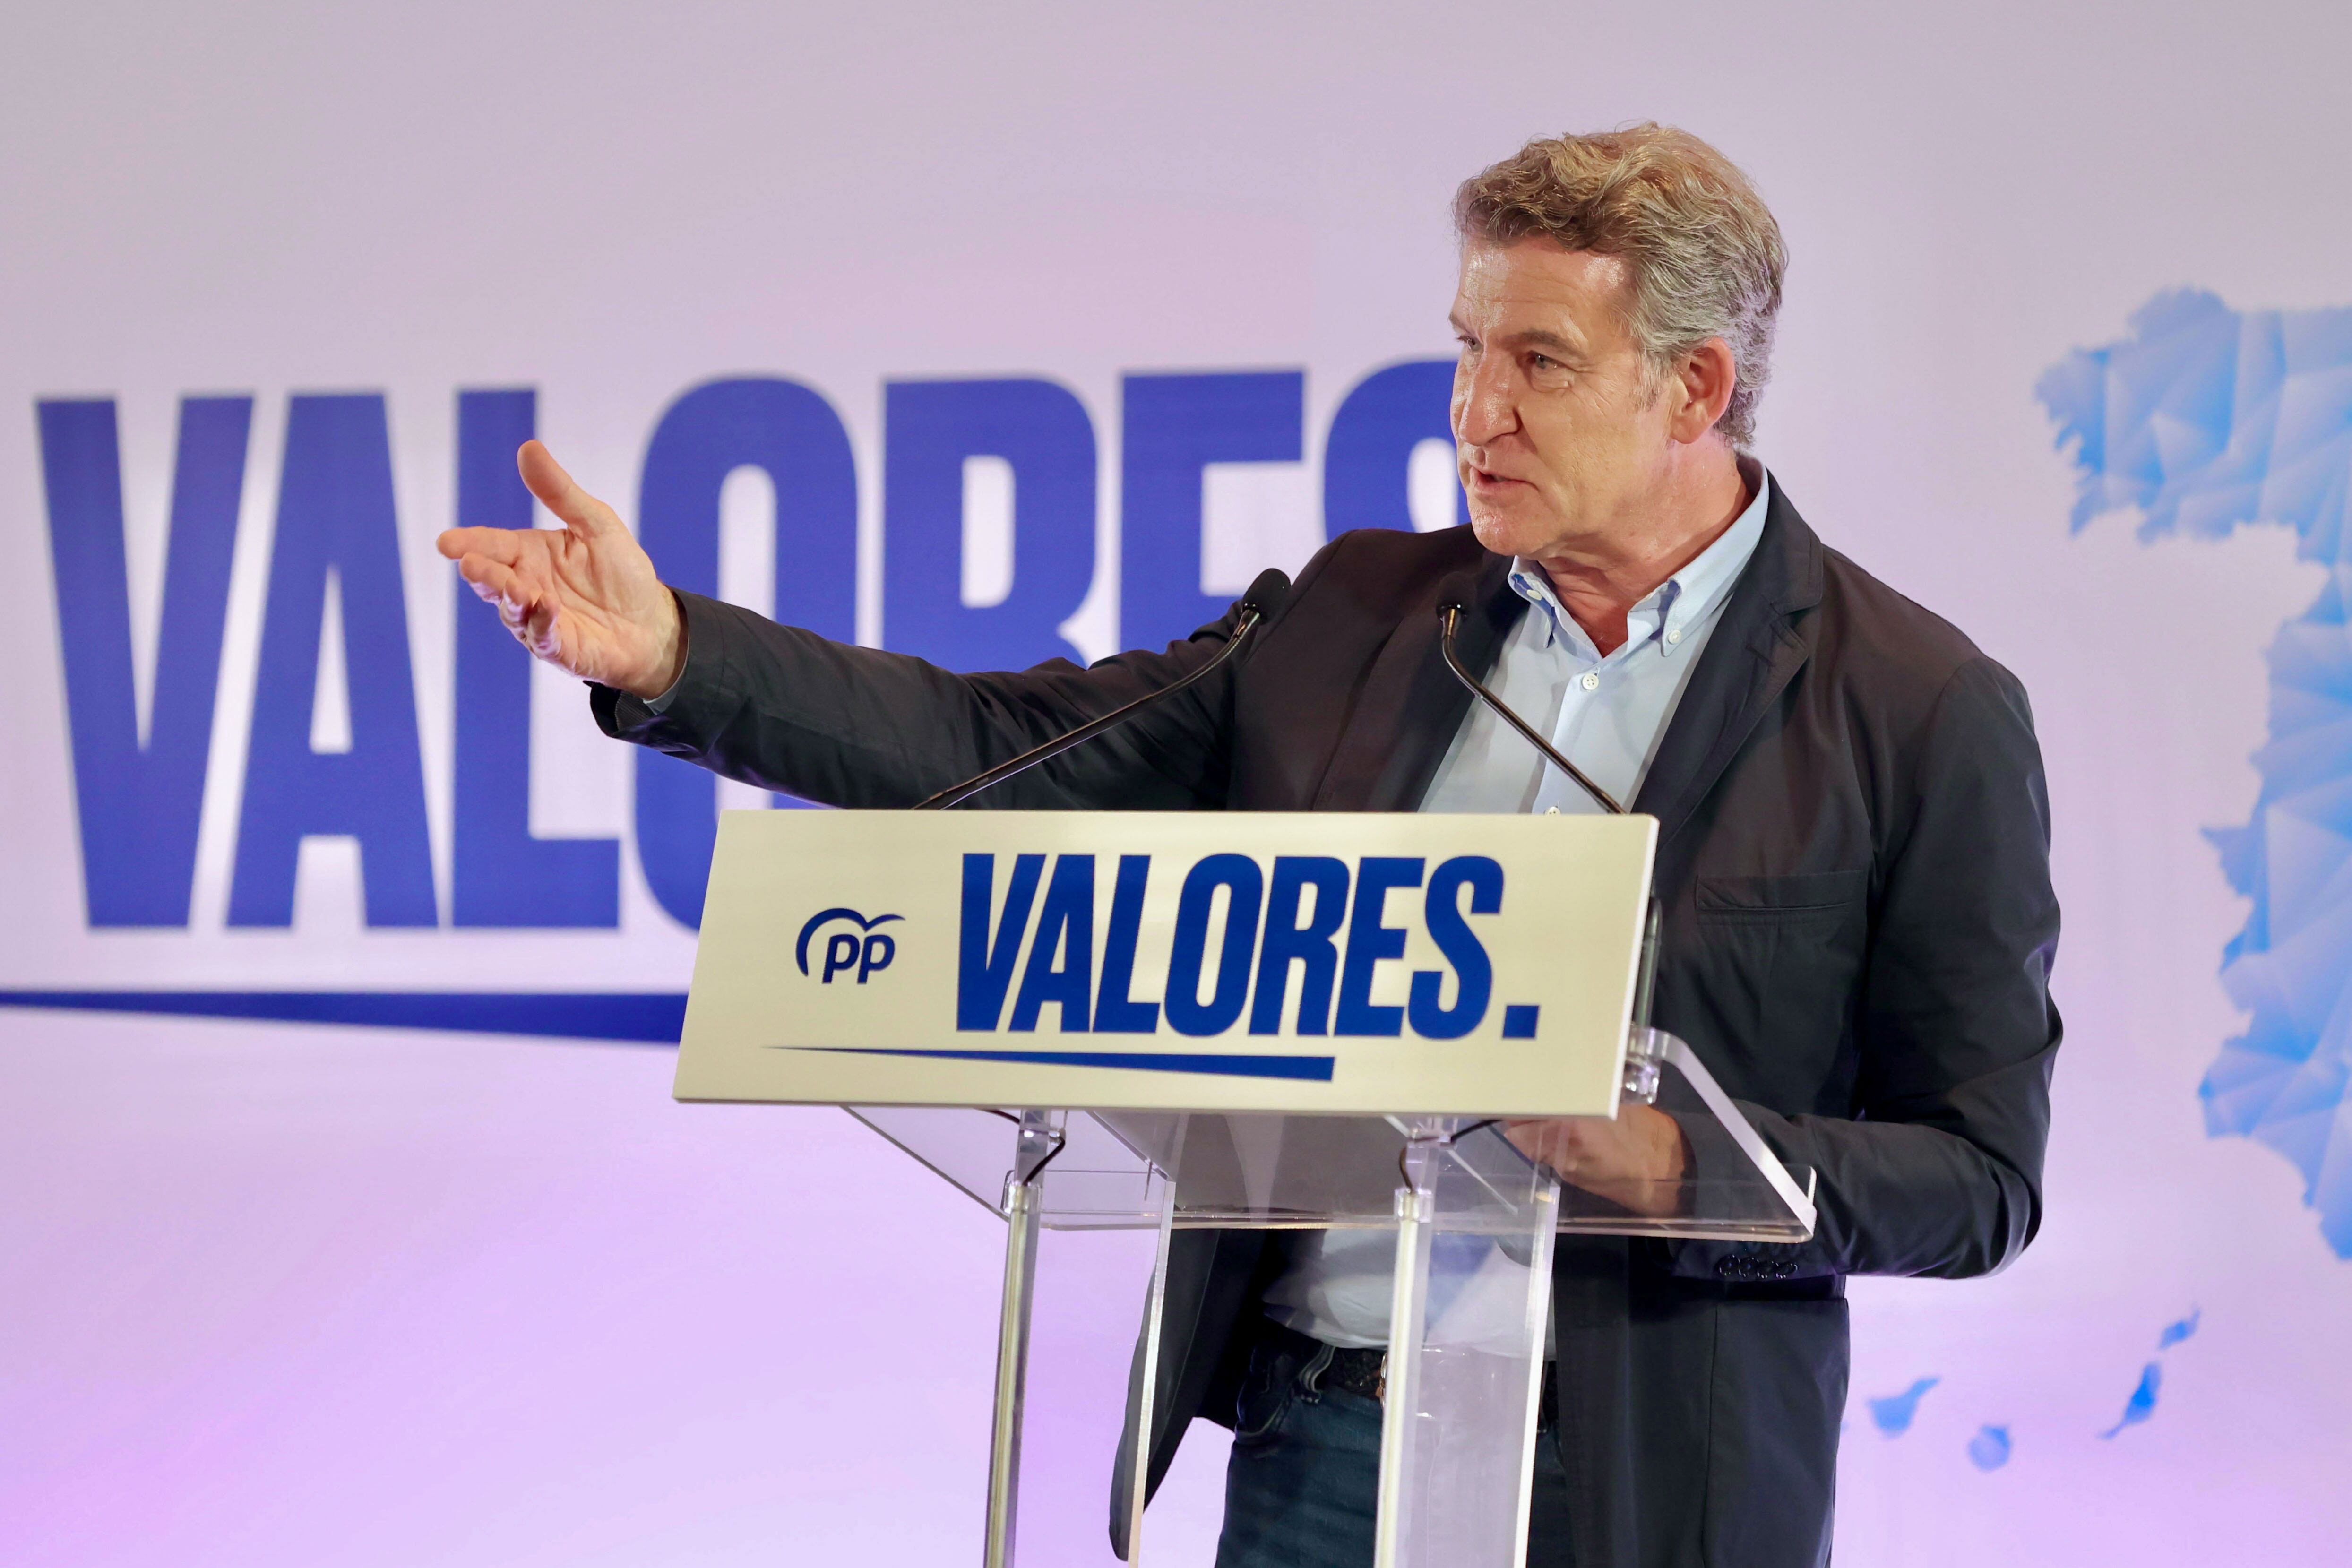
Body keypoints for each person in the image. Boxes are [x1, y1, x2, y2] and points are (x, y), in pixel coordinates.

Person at [439, 124, 2059, 1568]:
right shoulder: (1362, 613)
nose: (1473, 409)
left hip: (1637, 1484)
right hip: (1318, 1447)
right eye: (1464, 349)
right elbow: (1006, 753)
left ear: (1694, 387)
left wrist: (1670, 1159)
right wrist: (670, 659)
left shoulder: (1911, 707)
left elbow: (1978, 1178)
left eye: (1540, 364)